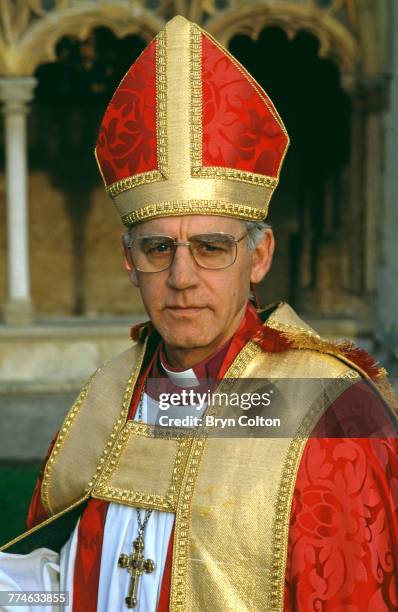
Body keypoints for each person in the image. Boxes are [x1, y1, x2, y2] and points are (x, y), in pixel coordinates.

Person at [1, 14, 398, 612]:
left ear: (259, 255)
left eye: (212, 247)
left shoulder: (331, 412)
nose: (182, 278)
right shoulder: (114, 392)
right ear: (129, 260)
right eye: (158, 248)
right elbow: (82, 575)